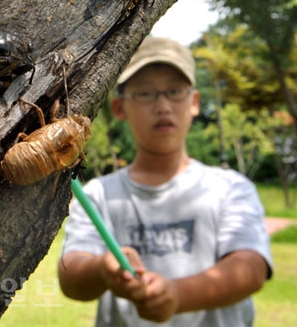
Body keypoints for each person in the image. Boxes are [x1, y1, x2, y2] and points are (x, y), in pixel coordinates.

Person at [58, 37, 273, 326]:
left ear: (194, 102)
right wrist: (101, 269)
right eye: (145, 93)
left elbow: (251, 268)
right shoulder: (98, 194)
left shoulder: (231, 188)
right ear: (120, 108)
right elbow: (71, 278)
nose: (163, 106)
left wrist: (177, 295)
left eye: (174, 91)